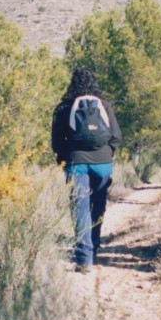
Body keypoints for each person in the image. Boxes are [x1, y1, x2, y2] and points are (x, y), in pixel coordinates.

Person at [51, 67, 122, 273]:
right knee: (97, 205)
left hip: (76, 163)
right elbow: (116, 137)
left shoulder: (64, 107)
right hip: (103, 163)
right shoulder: (105, 106)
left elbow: (57, 142)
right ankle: (95, 246)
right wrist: (107, 153)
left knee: (80, 208)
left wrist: (66, 157)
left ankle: (84, 258)